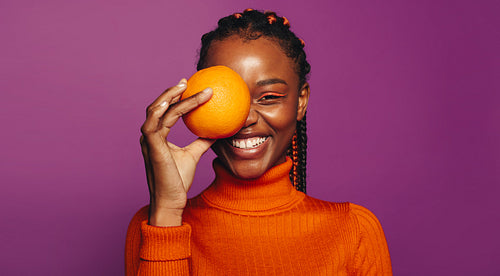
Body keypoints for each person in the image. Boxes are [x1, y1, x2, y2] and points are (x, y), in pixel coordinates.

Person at [125, 9, 392, 275]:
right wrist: (168, 214)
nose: (245, 119)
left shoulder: (354, 231)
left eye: (269, 97)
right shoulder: (153, 225)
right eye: (227, 97)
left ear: (300, 102)